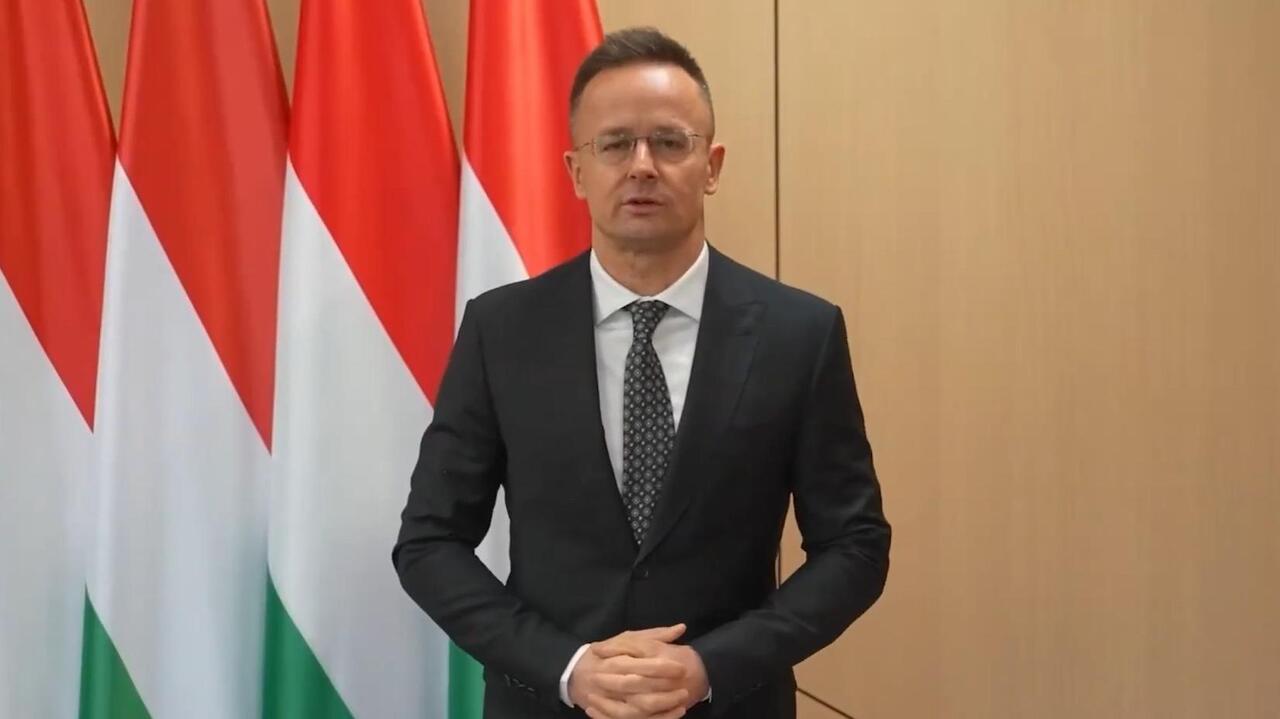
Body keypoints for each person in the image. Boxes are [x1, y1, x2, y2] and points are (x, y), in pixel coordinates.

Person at [394, 27, 890, 719]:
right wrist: (566, 667)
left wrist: (711, 665)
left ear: (712, 164)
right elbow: (429, 542)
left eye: (670, 142)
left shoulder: (798, 334)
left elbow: (855, 546)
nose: (642, 166)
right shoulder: (500, 330)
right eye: (615, 144)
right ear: (576, 171)